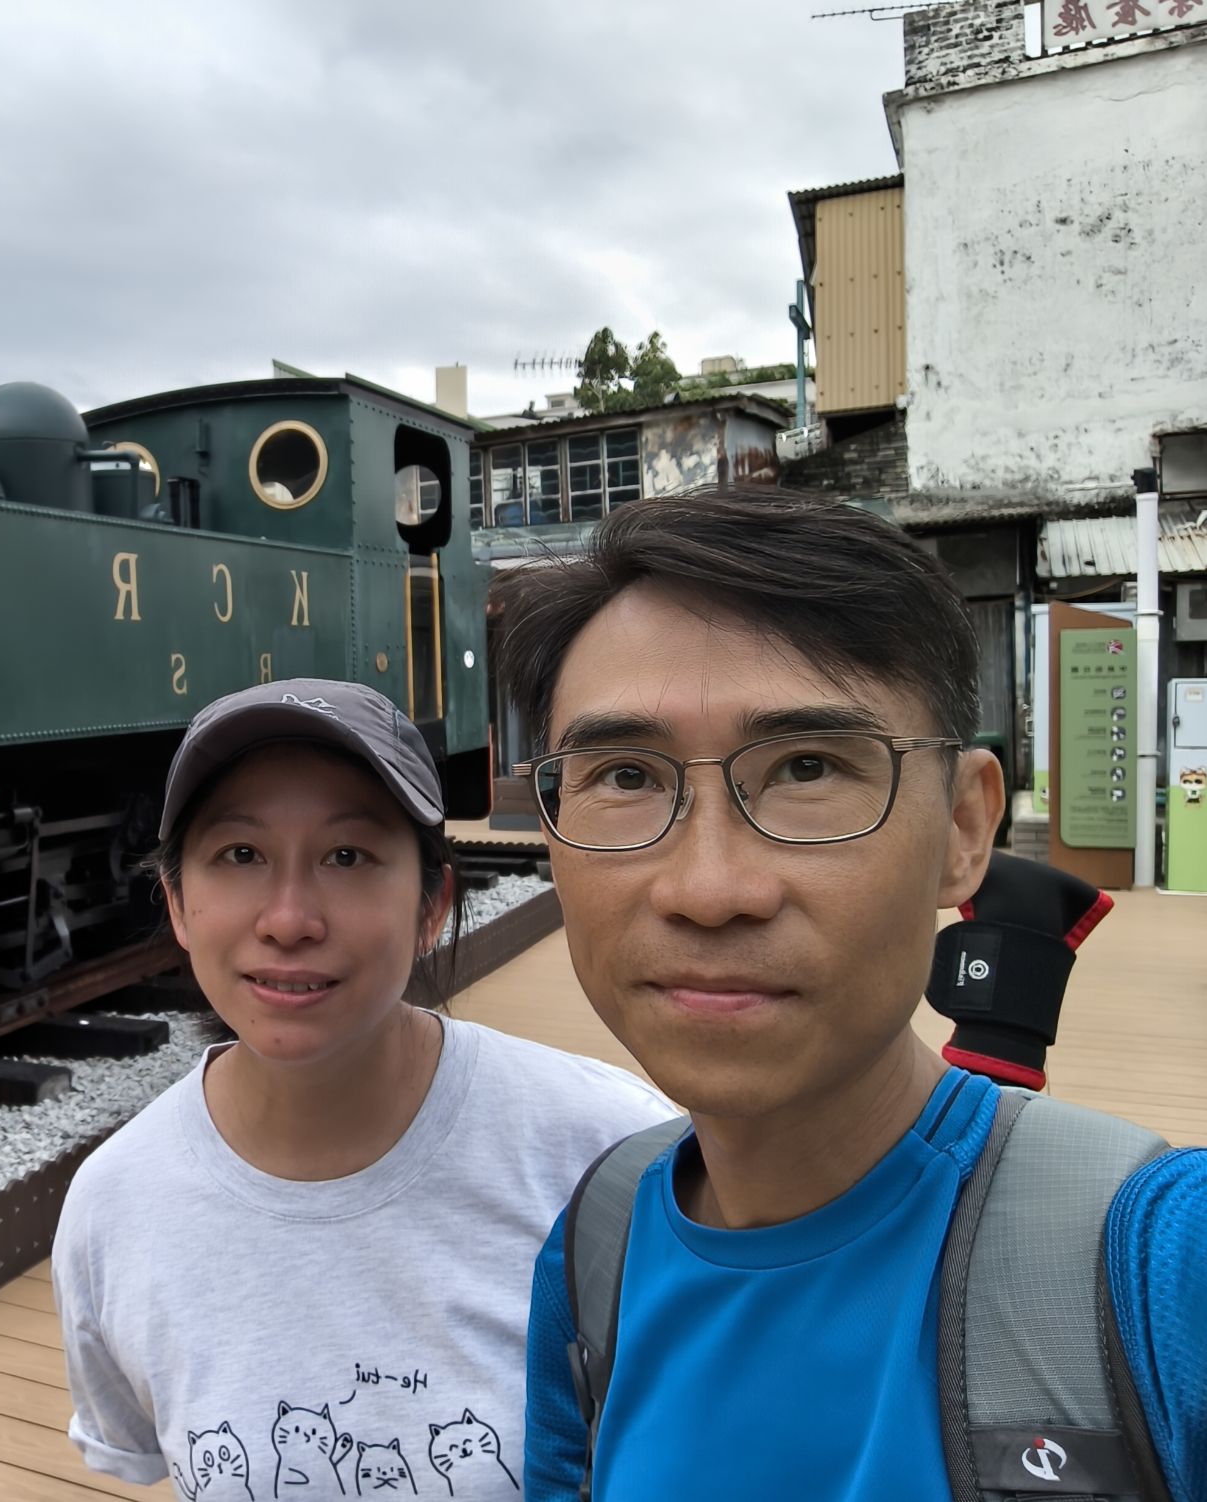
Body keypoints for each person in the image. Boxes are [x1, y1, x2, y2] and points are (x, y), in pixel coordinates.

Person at [504, 486, 1206, 1500]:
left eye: (805, 766)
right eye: (624, 777)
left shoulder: (1160, 1267)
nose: (707, 889)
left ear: (963, 829)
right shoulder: (592, 1255)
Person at [53, 678, 672, 1500]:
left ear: (431, 904)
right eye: (239, 855)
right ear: (176, 903)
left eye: (347, 856)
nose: (288, 920)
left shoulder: (610, 1157)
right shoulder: (113, 1206)